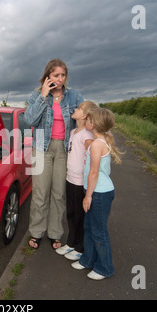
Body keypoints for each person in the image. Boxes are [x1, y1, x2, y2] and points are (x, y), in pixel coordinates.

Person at [24, 59, 84, 250]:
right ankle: (36, 232)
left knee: (58, 194)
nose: (60, 79)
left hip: (64, 150)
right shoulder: (37, 95)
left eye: (63, 75)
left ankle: (55, 233)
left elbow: (85, 117)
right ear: (48, 76)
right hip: (41, 148)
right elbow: (29, 120)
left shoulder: (74, 96)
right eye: (56, 75)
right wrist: (43, 95)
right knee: (41, 194)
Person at [71, 107, 123, 280]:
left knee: (99, 232)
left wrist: (88, 196)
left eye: (88, 119)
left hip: (99, 194)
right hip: (95, 191)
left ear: (92, 124)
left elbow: (93, 173)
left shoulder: (97, 145)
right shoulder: (98, 141)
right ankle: (88, 260)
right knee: (89, 227)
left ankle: (104, 268)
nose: (86, 121)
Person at [56, 101, 98, 259]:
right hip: (70, 179)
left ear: (85, 115)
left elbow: (95, 155)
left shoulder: (87, 136)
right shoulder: (74, 132)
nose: (75, 109)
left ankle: (80, 248)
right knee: (71, 213)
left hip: (81, 182)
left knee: (80, 216)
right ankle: (71, 243)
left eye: (79, 108)